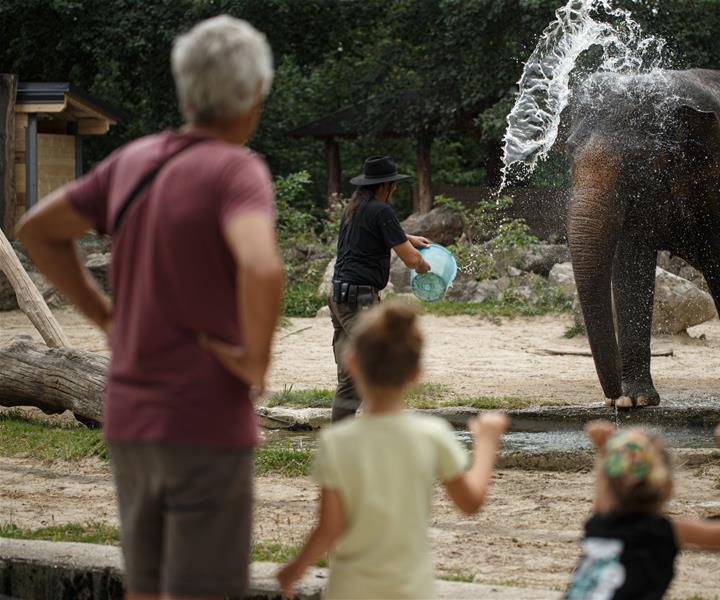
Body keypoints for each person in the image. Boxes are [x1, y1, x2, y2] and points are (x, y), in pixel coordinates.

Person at [16, 15, 282, 600]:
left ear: (187, 88)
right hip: (205, 418)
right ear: (255, 93)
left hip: (133, 413)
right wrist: (253, 362)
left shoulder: (134, 161)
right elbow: (262, 266)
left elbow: (38, 230)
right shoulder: (236, 171)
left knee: (147, 585)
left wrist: (102, 313)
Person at [276, 302, 509, 599]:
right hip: (411, 590)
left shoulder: (336, 442)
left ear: (352, 363)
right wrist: (487, 442)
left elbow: (329, 528)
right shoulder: (433, 435)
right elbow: (470, 503)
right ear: (417, 373)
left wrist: (294, 569)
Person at [565, 421, 720, 599]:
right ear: (668, 489)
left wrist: (604, 450)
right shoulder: (667, 531)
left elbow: (607, 493)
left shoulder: (598, 524)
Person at [329, 155, 431, 422]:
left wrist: (408, 238)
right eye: (394, 185)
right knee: (379, 366)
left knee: (350, 375)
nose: (395, 189)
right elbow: (410, 259)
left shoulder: (354, 208)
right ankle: (380, 432)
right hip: (359, 300)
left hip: (339, 298)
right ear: (386, 186)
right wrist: (423, 266)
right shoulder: (381, 210)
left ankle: (342, 437)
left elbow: (381, 232)